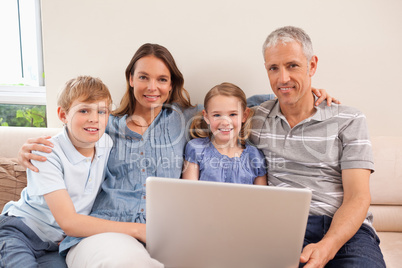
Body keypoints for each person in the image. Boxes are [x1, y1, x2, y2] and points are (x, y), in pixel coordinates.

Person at [17, 43, 335, 267]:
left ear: (171, 87)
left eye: (162, 79)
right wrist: (30, 147)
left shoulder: (184, 118)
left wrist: (309, 91)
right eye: (143, 77)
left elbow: (238, 102)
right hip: (109, 228)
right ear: (130, 79)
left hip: (168, 232)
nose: (152, 86)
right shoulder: (104, 124)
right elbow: (68, 135)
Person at [250, 26, 385, 267]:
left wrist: (327, 246)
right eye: (273, 68)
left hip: (346, 232)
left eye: (292, 66)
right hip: (283, 231)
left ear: (312, 66)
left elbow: (358, 196)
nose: (282, 78)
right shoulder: (257, 118)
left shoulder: (349, 120)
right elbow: (216, 109)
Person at [0, 76, 115, 267]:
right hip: (20, 231)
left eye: (101, 111)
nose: (94, 118)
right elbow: (69, 222)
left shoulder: (106, 143)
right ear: (63, 115)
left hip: (55, 245)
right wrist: (138, 230)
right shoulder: (45, 152)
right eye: (84, 110)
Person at [182, 82, 267, 185]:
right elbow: (190, 192)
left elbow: (261, 198)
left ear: (244, 115)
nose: (225, 122)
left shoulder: (255, 157)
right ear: (206, 117)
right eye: (217, 115)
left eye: (232, 114)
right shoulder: (197, 149)